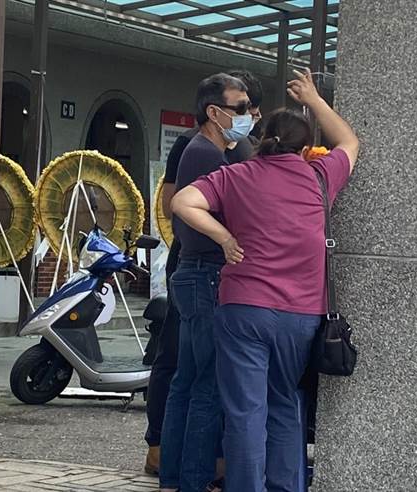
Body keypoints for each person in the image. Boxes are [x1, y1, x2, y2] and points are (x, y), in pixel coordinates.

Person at [170, 68, 359, 492]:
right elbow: (349, 141)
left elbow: (182, 202)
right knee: (284, 404)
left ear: (263, 138)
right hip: (301, 315)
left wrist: (223, 236)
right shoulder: (320, 176)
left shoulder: (235, 175)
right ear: (305, 146)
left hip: (243, 310)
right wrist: (313, 98)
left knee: (244, 413)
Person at [144, 70, 263, 476]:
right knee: (205, 385)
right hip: (205, 274)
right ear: (214, 112)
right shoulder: (207, 155)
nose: (249, 116)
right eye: (242, 108)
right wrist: (228, 239)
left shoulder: (208, 150)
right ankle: (195, 476)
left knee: (187, 381)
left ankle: (174, 475)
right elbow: (183, 208)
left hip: (194, 273)